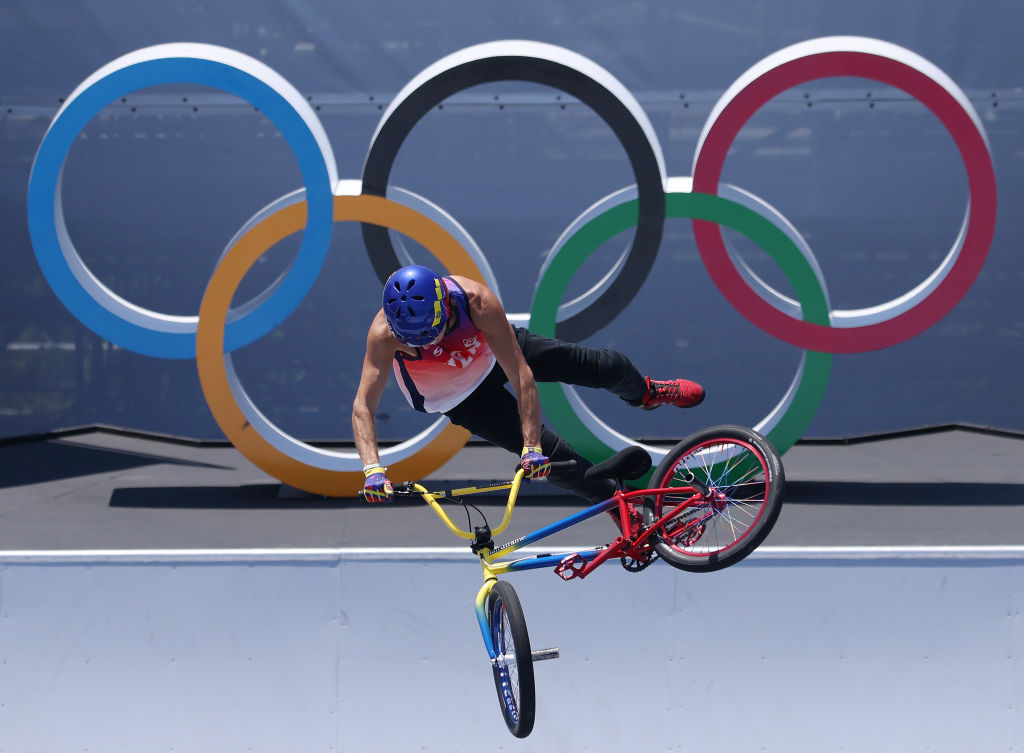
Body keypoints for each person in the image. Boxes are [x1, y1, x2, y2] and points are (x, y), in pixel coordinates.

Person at [352, 264, 704, 504]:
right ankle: (613, 503)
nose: (428, 346)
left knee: (605, 365)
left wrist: (529, 444)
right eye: (417, 342)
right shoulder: (383, 335)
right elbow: (363, 407)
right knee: (557, 461)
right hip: (459, 398)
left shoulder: (476, 302)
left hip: (493, 355)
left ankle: (647, 393)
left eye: (433, 334)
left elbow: (522, 376)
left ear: (445, 306)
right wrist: (372, 469)